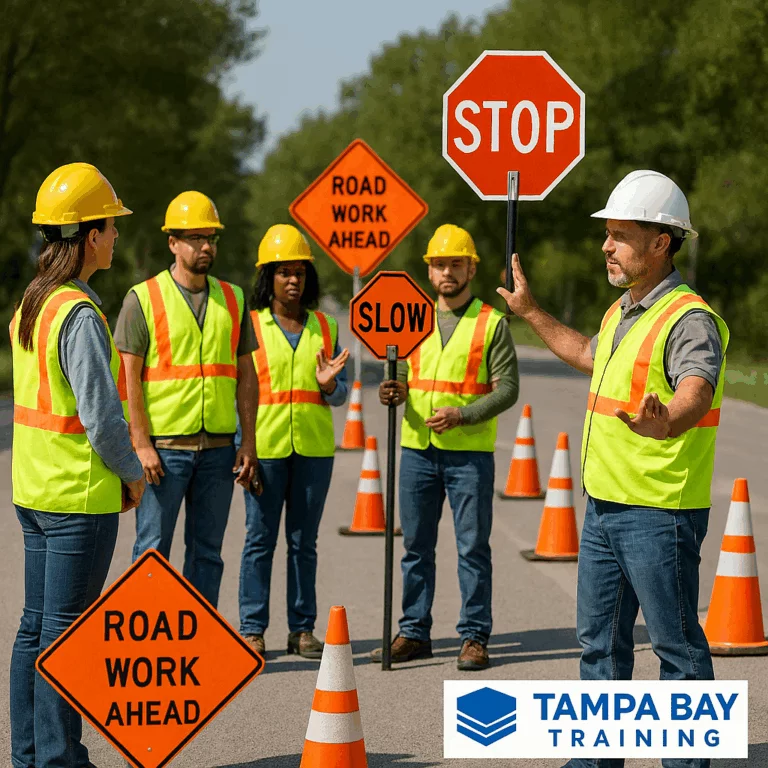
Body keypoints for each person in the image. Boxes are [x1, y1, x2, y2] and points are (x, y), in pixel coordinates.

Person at [497, 170, 728, 768]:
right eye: (608, 234)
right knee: (599, 646)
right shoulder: (623, 311)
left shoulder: (688, 318)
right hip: (603, 509)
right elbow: (584, 354)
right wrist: (531, 312)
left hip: (659, 514)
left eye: (621, 236)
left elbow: (695, 390)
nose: (606, 245)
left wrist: (668, 420)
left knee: (675, 650)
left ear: (661, 243)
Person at [10, 162, 145, 768]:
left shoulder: (31, 305)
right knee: (65, 638)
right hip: (75, 500)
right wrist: (135, 472)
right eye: (111, 227)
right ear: (89, 235)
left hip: (33, 492)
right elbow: (101, 419)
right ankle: (60, 761)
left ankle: (33, 754)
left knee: (34, 631)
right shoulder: (81, 314)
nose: (116, 236)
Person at [372, 224, 520, 671]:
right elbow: (398, 374)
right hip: (416, 448)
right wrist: (391, 390)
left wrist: (464, 413)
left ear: (471, 268)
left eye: (456, 263)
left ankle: (474, 636)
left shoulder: (490, 323)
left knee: (472, 547)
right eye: (439, 264)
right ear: (429, 271)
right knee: (416, 547)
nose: (447, 272)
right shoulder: (408, 316)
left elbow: (508, 389)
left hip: (469, 455)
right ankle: (414, 632)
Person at [114, 190, 258, 608]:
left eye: (210, 237)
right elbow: (130, 379)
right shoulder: (143, 298)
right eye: (195, 238)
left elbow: (246, 376)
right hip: (164, 451)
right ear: (172, 243)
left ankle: (200, 643)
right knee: (152, 553)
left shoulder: (232, 298)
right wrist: (140, 444)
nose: (206, 246)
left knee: (208, 555)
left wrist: (247, 441)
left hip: (217, 449)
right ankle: (149, 644)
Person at [238, 224, 349, 659]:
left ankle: (302, 630)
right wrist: (239, 446)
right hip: (263, 450)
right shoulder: (250, 326)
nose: (293, 280)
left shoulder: (325, 325)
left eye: (300, 272)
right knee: (259, 540)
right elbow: (237, 391)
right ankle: (252, 629)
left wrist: (328, 386)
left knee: (304, 543)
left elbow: (340, 394)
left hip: (313, 452)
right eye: (284, 272)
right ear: (268, 277)